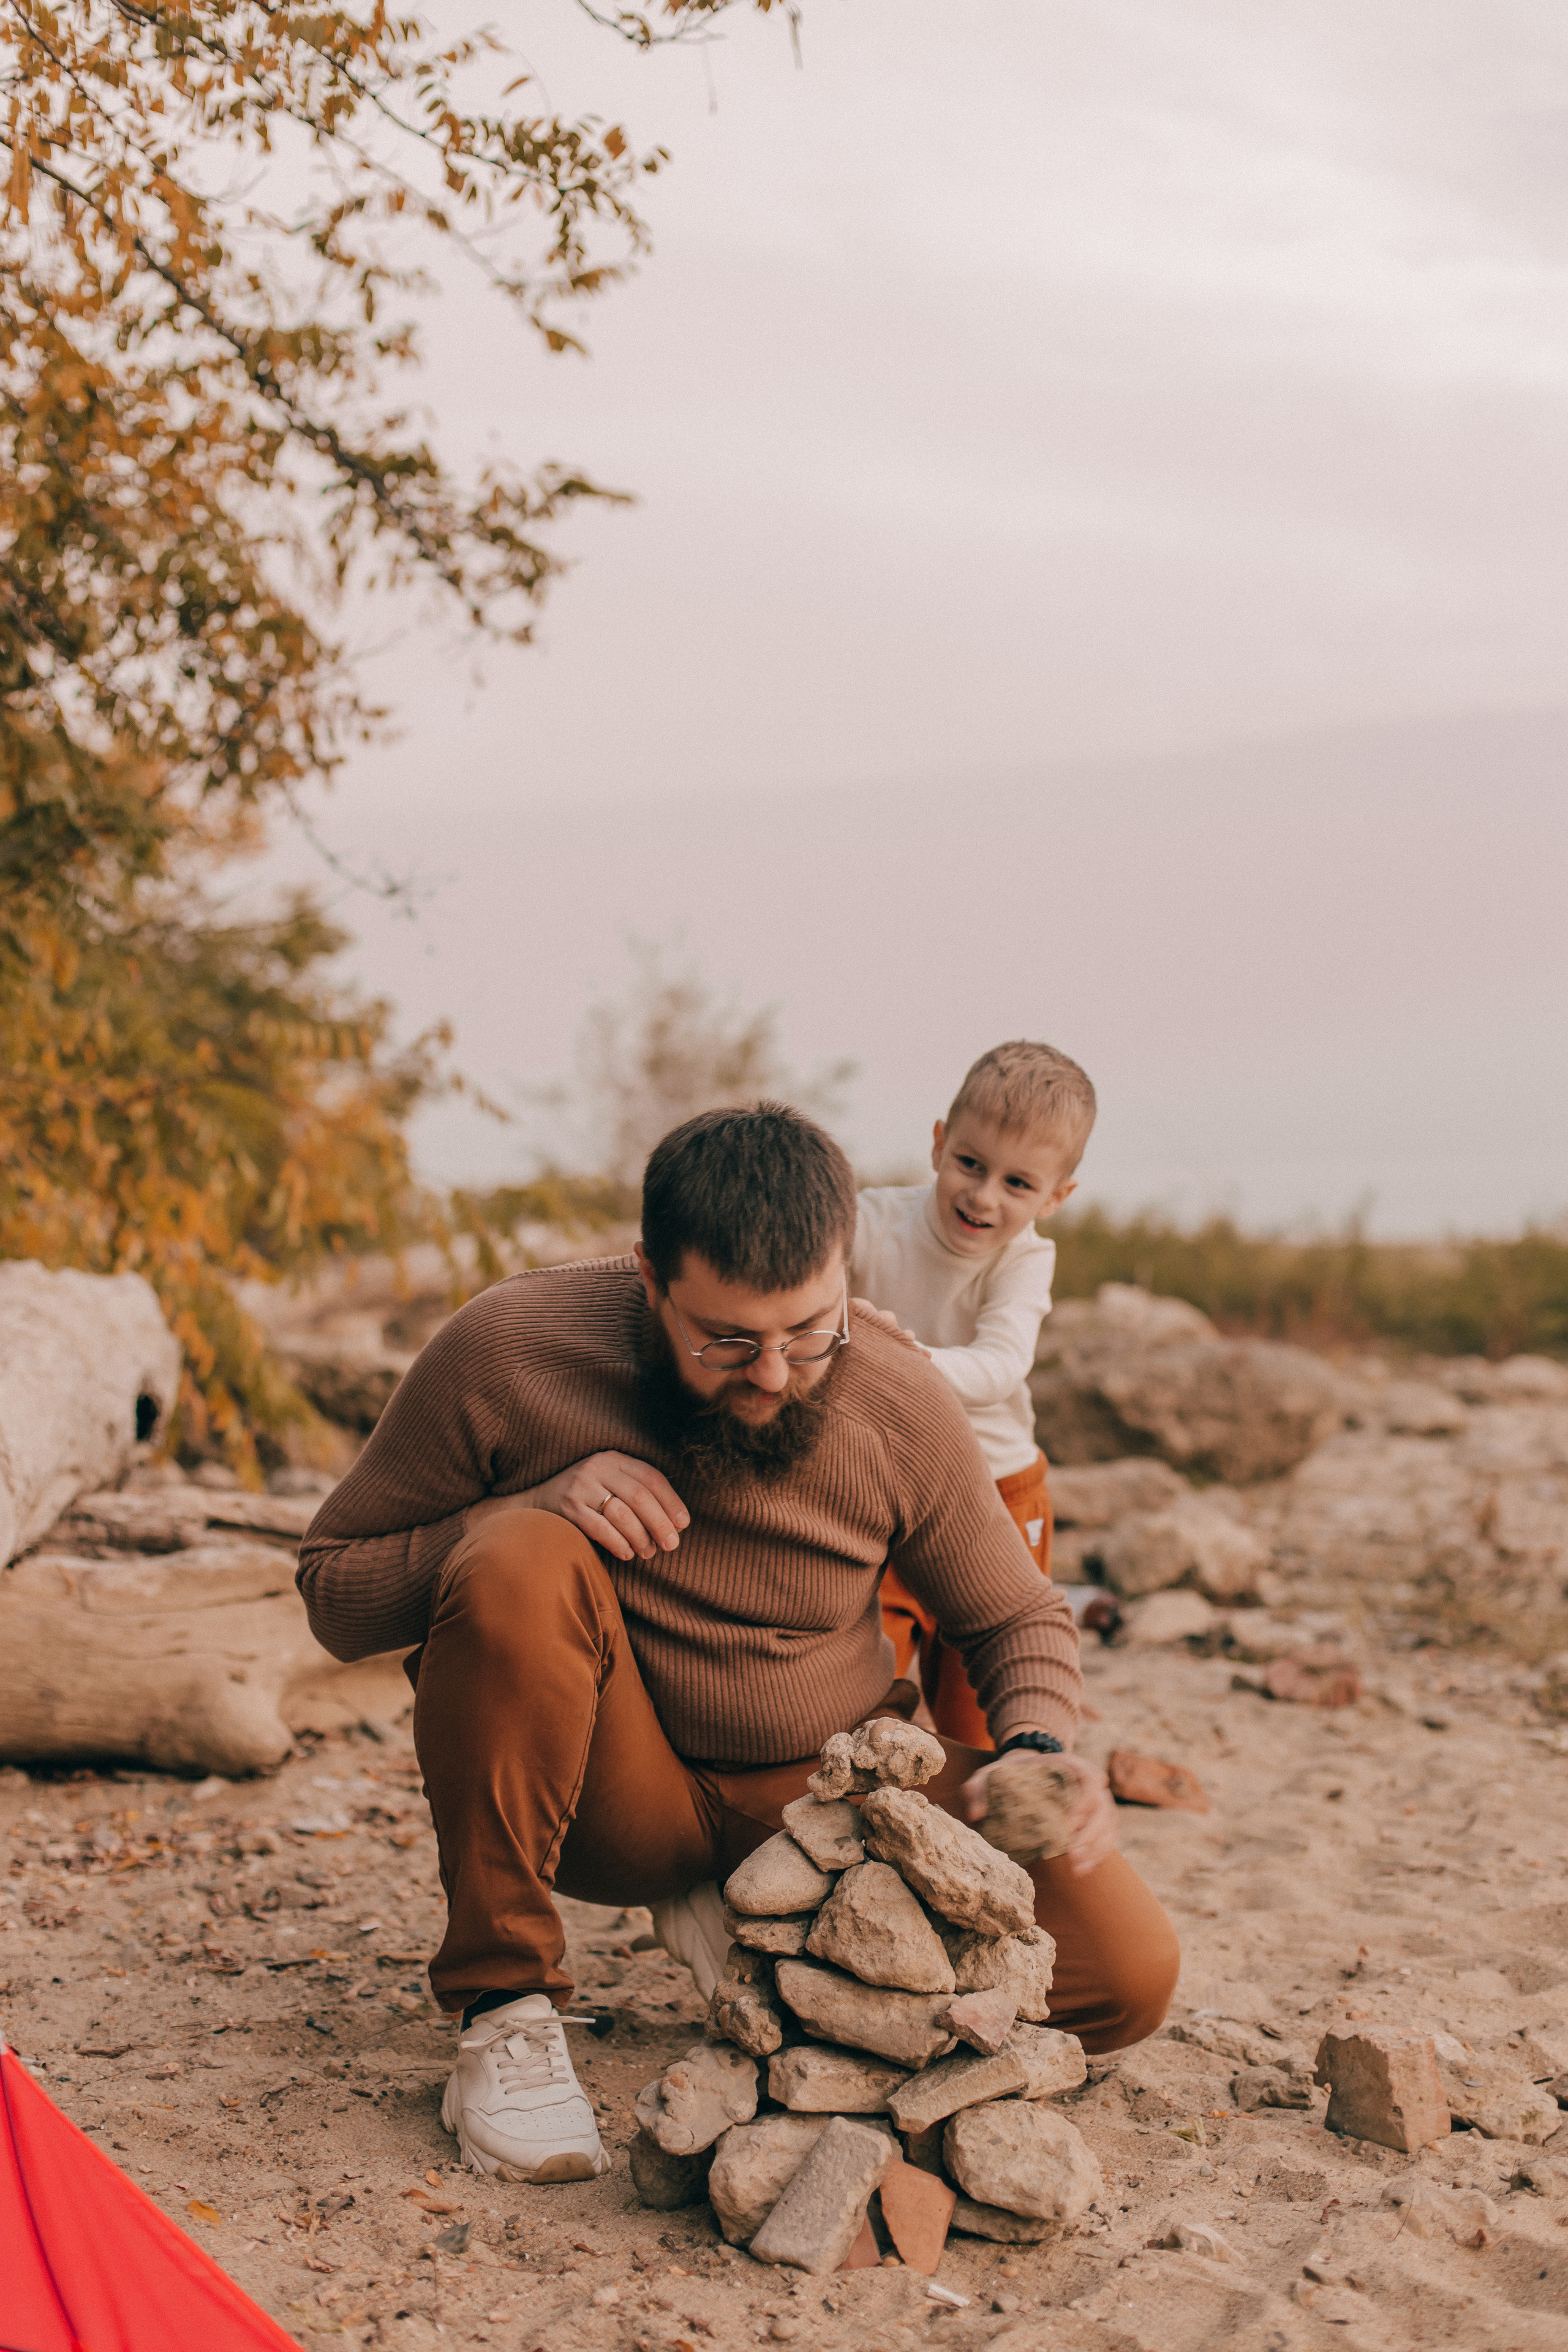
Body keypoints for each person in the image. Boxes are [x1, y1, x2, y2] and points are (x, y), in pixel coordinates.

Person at [296, 1102, 1177, 2188]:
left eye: (808, 1334)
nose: (772, 1375)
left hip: (830, 1808)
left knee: (1124, 1977)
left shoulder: (892, 1389)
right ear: (650, 1279)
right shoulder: (510, 1349)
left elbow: (1013, 1613)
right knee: (518, 1554)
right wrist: (521, 1503)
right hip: (615, 1801)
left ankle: (780, 1965)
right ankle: (502, 2009)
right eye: (727, 1341)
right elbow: (334, 1593)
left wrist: (1039, 1743)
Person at [851, 1039, 1094, 1747]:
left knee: (982, 1704)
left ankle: (989, 1818)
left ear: (1056, 1197)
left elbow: (999, 1368)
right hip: (886, 1489)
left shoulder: (1024, 1259)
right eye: (970, 1164)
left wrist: (892, 1358)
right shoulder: (872, 1221)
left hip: (997, 1490)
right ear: (937, 1145)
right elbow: (798, 1273)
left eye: (1018, 1184)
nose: (983, 1196)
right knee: (865, 1685)